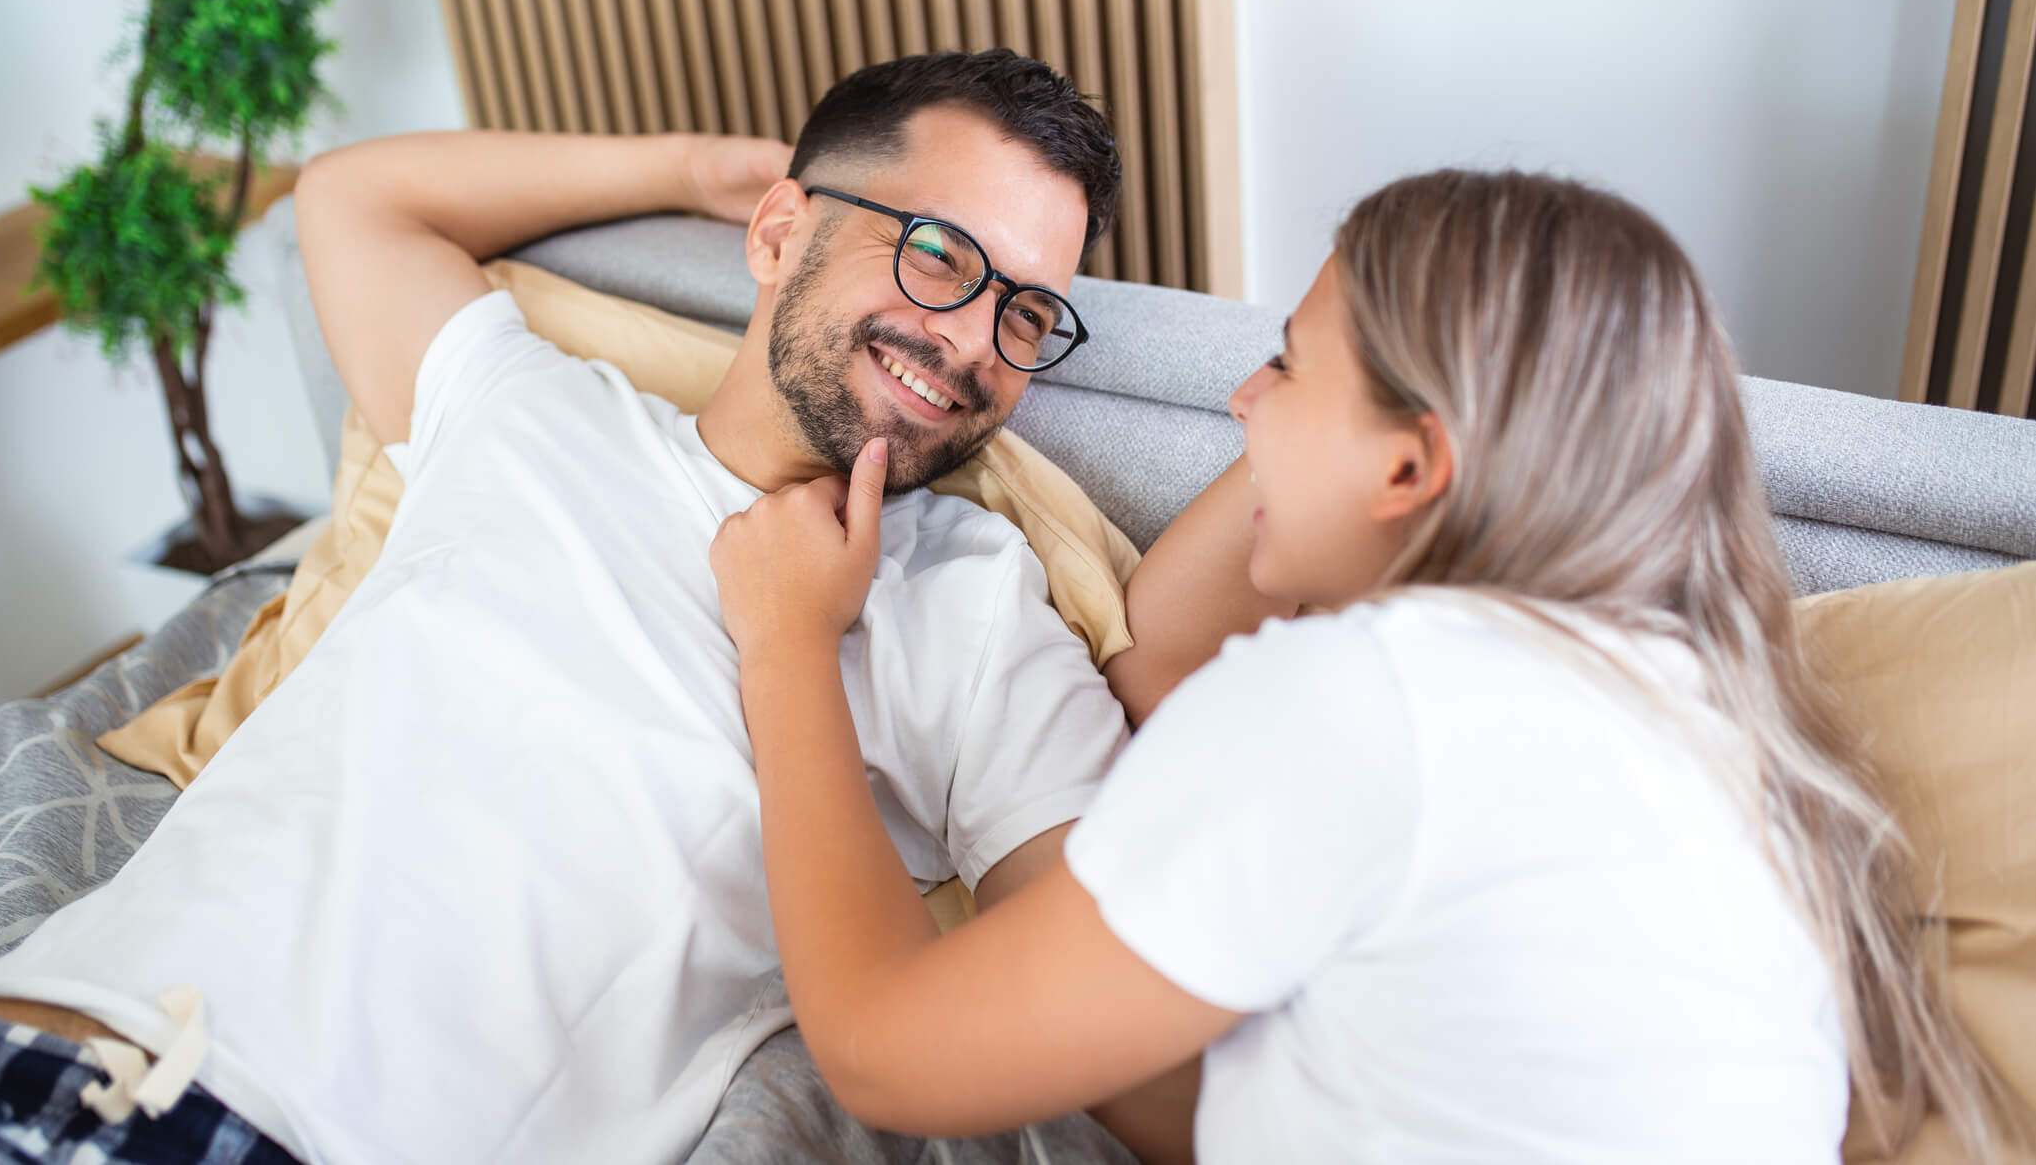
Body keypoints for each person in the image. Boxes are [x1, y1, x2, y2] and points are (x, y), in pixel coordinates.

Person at [0, 51, 1152, 1165]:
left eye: (1026, 312)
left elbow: (1112, 1027)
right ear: (782, 230)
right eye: (938, 253)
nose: (973, 341)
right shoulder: (532, 411)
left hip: (295, 1134)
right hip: (3, 1032)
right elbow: (350, 197)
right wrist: (686, 168)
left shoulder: (974, 607)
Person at [709, 169, 1999, 1163]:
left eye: (1284, 363)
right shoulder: (1687, 712)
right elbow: (1160, 660)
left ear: (1410, 465)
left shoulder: (1372, 700)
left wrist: (789, 648)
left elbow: (882, 1049)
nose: (1240, 405)